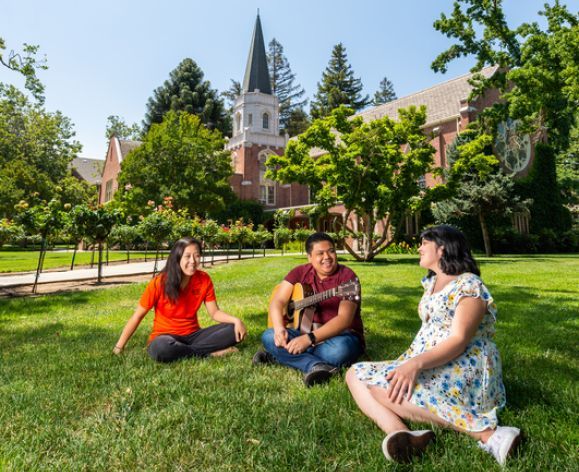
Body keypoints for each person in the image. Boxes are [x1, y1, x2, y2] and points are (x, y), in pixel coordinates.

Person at [346, 225, 521, 466]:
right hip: (430, 359)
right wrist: (408, 363)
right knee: (355, 374)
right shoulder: (432, 283)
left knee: (382, 388)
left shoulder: (468, 284)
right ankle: (402, 434)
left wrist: (414, 365)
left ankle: (490, 435)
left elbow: (459, 339)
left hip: (464, 364)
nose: (418, 248)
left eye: (424, 243)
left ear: (442, 249)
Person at [253, 232, 364, 387]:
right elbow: (277, 301)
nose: (327, 257)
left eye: (331, 251)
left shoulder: (348, 278)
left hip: (339, 337)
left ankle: (279, 357)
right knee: (268, 336)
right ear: (309, 257)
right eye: (320, 253)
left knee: (339, 351)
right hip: (303, 332)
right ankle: (316, 366)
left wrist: (308, 339)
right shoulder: (300, 272)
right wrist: (279, 329)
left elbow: (344, 320)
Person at [113, 237, 246, 362]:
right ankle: (208, 353)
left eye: (197, 256)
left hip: (194, 336)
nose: (193, 261)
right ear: (177, 258)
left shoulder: (204, 279)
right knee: (162, 348)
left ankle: (190, 352)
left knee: (233, 330)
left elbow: (215, 313)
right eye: (187, 256)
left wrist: (236, 320)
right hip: (165, 337)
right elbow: (137, 316)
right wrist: (119, 347)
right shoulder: (159, 283)